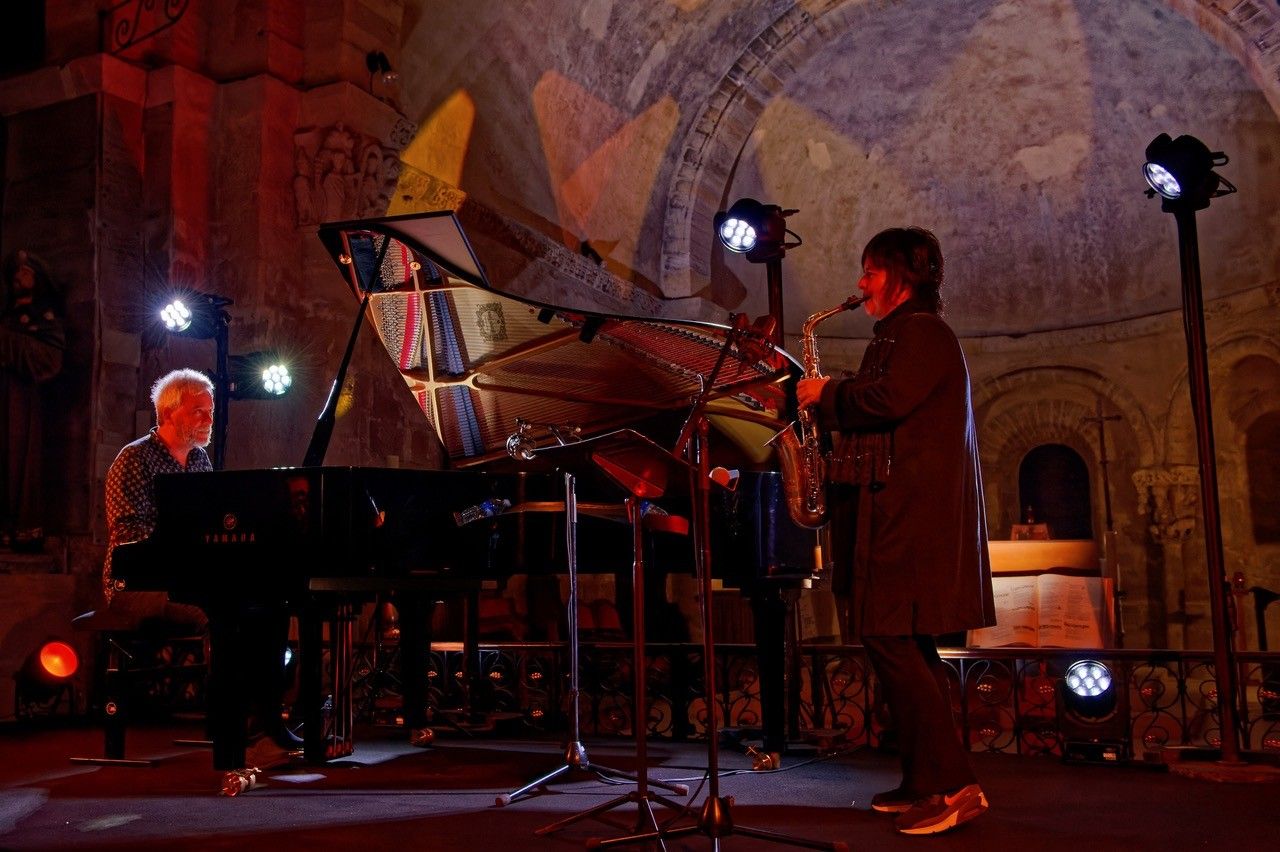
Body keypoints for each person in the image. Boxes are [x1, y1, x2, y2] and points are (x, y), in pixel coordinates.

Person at [796, 227, 995, 836]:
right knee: (904, 646)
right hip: (894, 510)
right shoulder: (902, 334)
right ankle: (924, 778)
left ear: (903, 275)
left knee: (891, 640)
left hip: (909, 517)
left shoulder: (924, 332)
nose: (861, 284)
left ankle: (956, 787)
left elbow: (887, 400)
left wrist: (826, 392)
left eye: (870, 271)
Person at [104, 369, 294, 769]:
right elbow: (128, 534)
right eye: (199, 412)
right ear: (169, 414)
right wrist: (188, 550)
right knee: (224, 614)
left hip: (190, 580)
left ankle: (268, 725)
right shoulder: (134, 459)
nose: (210, 419)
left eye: (210, 411)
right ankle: (237, 734)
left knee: (271, 607)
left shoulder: (200, 460)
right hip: (137, 585)